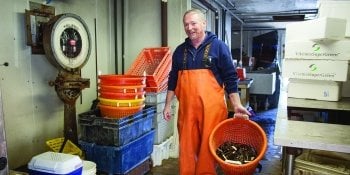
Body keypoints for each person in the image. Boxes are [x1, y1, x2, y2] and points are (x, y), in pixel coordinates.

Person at [162, 9, 251, 175]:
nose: (189, 28)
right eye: (186, 24)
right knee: (186, 147)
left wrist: (237, 105)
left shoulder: (219, 47)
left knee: (208, 147)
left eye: (193, 23)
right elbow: (173, 79)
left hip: (212, 111)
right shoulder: (180, 51)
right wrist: (167, 105)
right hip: (187, 111)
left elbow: (231, 78)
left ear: (204, 23)